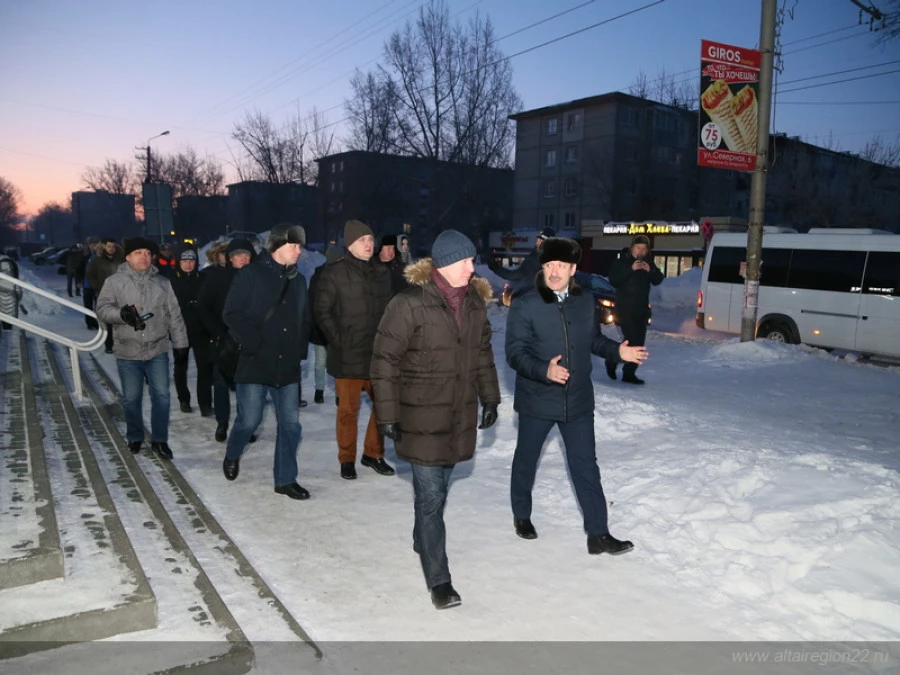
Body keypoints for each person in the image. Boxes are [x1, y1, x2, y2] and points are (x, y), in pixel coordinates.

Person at [371, 229, 500, 610]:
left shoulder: (475, 303)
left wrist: (490, 397)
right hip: (419, 413)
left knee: (438, 492)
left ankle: (422, 537)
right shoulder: (409, 303)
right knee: (430, 498)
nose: (472, 268)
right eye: (466, 262)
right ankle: (440, 581)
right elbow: (383, 361)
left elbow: (482, 354)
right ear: (445, 265)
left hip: (457, 413)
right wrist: (388, 414)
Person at [505, 237, 648, 556]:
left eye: (560, 266)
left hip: (578, 400)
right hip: (537, 399)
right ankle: (522, 514)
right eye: (548, 265)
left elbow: (594, 341)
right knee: (526, 460)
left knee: (586, 466)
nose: (553, 272)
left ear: (572, 269)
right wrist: (544, 370)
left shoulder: (585, 301)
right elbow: (514, 353)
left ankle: (598, 533)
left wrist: (618, 351)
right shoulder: (525, 303)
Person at [222, 224, 311, 500]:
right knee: (249, 420)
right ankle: (232, 453)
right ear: (277, 246)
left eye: (300, 246)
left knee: (291, 425)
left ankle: (285, 479)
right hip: (255, 360)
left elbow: (302, 318)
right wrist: (255, 344)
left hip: (287, 365)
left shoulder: (298, 280)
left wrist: (299, 352)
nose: (300, 251)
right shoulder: (251, 274)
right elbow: (232, 313)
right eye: (295, 245)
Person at [95, 237, 189, 460]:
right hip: (128, 351)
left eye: (147, 253)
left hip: (157, 349)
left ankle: (160, 440)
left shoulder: (162, 283)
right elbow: (102, 308)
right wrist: (121, 315)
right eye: (138, 252)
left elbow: (174, 315)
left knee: (163, 397)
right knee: (131, 398)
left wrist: (181, 344)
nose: (144, 257)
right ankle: (135, 435)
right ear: (127, 256)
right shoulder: (114, 282)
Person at [314, 219, 393, 480]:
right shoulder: (334, 273)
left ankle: (373, 453)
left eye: (371, 239)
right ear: (350, 244)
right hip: (347, 354)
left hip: (377, 355)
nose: (369, 244)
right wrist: (339, 340)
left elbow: (391, 309)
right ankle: (346, 459)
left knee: (384, 406)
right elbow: (322, 311)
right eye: (363, 240)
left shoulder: (382, 272)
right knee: (348, 411)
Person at [196, 238, 257, 443]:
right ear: (230, 259)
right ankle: (222, 423)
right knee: (221, 384)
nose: (243, 259)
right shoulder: (217, 278)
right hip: (223, 340)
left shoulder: (258, 279)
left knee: (246, 385)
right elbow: (203, 307)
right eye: (238, 255)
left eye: (246, 255)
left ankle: (245, 425)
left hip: (249, 341)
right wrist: (217, 334)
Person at [604, 234, 664, 385]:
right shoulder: (622, 261)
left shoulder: (648, 262)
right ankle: (613, 359)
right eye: (638, 248)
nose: (641, 251)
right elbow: (614, 279)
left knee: (639, 343)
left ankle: (628, 372)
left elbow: (658, 279)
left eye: (644, 249)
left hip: (641, 310)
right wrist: (631, 269)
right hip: (625, 309)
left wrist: (650, 269)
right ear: (632, 247)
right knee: (632, 341)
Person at [170, 242, 214, 416]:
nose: (188, 264)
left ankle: (205, 404)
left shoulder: (203, 279)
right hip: (179, 330)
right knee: (181, 366)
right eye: (184, 260)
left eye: (191, 260)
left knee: (205, 367)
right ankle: (184, 400)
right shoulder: (171, 280)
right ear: (178, 262)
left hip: (201, 330)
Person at [307, 246, 341, 405]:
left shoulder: (344, 275)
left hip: (336, 327)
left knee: (336, 362)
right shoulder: (319, 276)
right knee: (322, 362)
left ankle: (338, 393)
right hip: (323, 327)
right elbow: (312, 302)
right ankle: (320, 390)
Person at [487, 227, 555, 300]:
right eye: (537, 240)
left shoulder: (535, 259)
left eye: (541, 240)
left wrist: (495, 267)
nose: (537, 243)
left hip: (533, 299)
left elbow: (514, 275)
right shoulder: (558, 258)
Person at [86, 237, 125, 353]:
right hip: (104, 293)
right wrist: (96, 287)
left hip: (120, 293)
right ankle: (109, 344)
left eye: (113, 247)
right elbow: (90, 275)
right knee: (107, 320)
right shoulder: (96, 260)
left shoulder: (121, 259)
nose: (111, 249)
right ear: (104, 246)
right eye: (109, 246)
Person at [0, 250, 23, 330]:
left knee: (6, 322)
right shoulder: (7, 262)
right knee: (7, 323)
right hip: (10, 295)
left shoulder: (4, 263)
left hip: (6, 297)